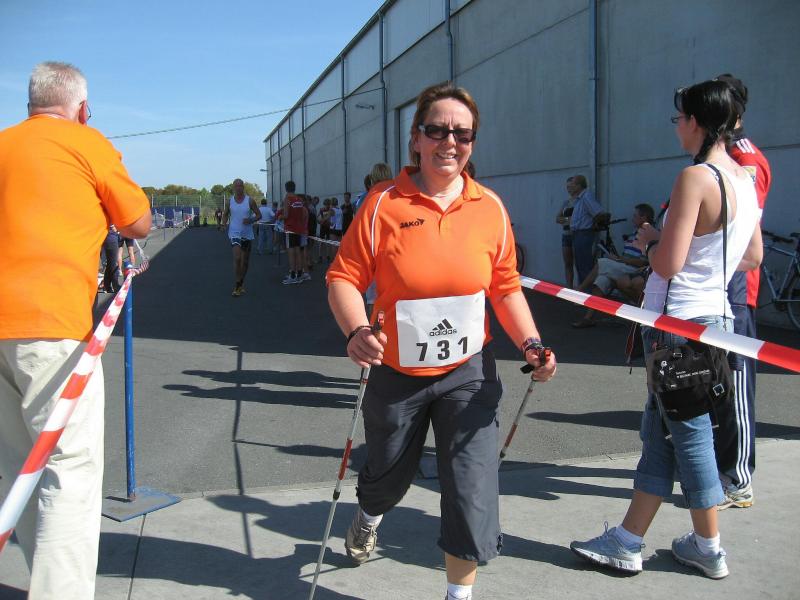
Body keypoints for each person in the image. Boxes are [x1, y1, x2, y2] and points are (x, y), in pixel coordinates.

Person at [327, 82, 556, 600]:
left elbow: (505, 286)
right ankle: (369, 514)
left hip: (468, 372)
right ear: (416, 139)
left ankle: (459, 593)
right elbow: (343, 277)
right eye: (437, 130)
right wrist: (357, 330)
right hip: (396, 372)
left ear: (473, 142)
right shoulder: (383, 203)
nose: (450, 142)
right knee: (387, 475)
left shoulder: (489, 206)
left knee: (472, 487)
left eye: (463, 133)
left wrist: (532, 343)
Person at [570, 79, 762, 580]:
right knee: (661, 431)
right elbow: (753, 256)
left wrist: (652, 239)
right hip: (714, 318)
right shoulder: (743, 180)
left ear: (696, 122)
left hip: (677, 325)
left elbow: (667, 264)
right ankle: (628, 539)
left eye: (680, 118)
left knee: (689, 434)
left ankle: (708, 545)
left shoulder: (695, 178)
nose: (677, 127)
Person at [0, 61, 151, 599]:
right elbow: (138, 221)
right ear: (83, 108)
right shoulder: (86, 142)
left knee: (19, 464)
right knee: (70, 467)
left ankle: (42, 575)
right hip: (52, 327)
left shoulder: (4, 144)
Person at [713, 73, 772, 510]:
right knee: (712, 384)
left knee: (736, 385)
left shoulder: (743, 158)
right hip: (712, 288)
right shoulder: (720, 155)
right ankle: (717, 466)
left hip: (735, 290)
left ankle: (738, 476)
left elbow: (742, 232)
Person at [571, 203, 654, 328]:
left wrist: (620, 259)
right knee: (602, 280)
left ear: (644, 217)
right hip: (625, 266)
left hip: (635, 270)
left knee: (602, 262)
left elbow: (643, 262)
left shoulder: (648, 235)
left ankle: (580, 289)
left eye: (635, 216)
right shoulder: (635, 233)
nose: (632, 218)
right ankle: (587, 318)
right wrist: (618, 259)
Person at [223, 179, 260, 296]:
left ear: (243, 187)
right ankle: (237, 284)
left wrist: (251, 220)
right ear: (233, 188)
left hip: (247, 234)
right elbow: (225, 214)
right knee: (237, 258)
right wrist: (223, 224)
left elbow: (259, 215)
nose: (238, 188)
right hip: (234, 233)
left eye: (240, 186)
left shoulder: (250, 201)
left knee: (245, 262)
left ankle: (241, 282)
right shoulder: (229, 201)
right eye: (236, 186)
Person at [568, 175, 603, 285]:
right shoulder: (579, 198)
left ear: (579, 185)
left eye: (573, 184)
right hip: (578, 234)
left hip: (583, 234)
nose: (571, 187)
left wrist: (593, 225)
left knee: (584, 265)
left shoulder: (586, 197)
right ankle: (583, 290)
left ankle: (587, 291)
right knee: (580, 265)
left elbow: (598, 213)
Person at [282, 180, 309, 284]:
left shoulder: (287, 199)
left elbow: (286, 215)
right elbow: (302, 215)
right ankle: (299, 273)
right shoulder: (299, 200)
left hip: (290, 228)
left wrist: (280, 217)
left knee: (291, 252)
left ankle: (293, 275)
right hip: (299, 229)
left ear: (286, 188)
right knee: (298, 251)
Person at [556, 177, 578, 288]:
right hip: (566, 235)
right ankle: (569, 289)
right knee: (568, 263)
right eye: (567, 187)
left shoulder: (580, 202)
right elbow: (557, 218)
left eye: (571, 186)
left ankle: (581, 290)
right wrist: (568, 220)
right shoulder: (566, 202)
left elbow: (579, 219)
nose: (569, 189)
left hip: (577, 235)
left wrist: (565, 220)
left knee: (579, 264)